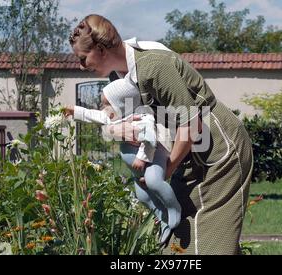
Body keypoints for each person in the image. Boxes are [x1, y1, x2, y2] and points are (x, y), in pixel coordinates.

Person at [68, 14, 254, 255]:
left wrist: (168, 168)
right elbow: (111, 115)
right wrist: (113, 128)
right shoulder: (119, 75)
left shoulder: (154, 66)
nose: (82, 66)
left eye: (83, 59)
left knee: (210, 244)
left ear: (101, 50)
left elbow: (191, 124)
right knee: (180, 241)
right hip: (187, 151)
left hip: (219, 149)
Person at [64, 78, 181, 245]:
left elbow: (150, 138)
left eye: (106, 104)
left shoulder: (141, 117)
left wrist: (141, 157)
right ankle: (162, 217)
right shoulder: (114, 118)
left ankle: (174, 209)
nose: (103, 108)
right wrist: (74, 111)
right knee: (143, 197)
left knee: (154, 182)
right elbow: (93, 115)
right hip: (137, 170)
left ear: (121, 105)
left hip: (154, 158)